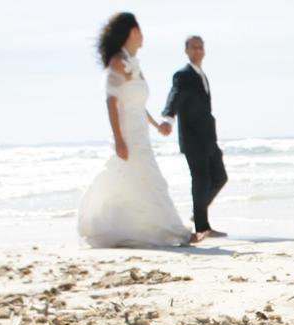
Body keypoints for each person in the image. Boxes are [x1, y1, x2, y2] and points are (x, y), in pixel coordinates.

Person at [77, 12, 192, 248]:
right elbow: (111, 101)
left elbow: (137, 104)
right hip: (128, 135)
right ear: (133, 32)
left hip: (141, 132)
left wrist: (156, 124)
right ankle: (177, 232)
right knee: (152, 180)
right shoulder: (118, 63)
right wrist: (119, 139)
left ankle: (119, 225)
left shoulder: (135, 65)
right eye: (140, 31)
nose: (143, 37)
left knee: (133, 182)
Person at [162, 35, 228, 242]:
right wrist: (168, 118)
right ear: (187, 51)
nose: (198, 50)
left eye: (201, 47)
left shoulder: (202, 75)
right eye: (194, 47)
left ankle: (199, 215)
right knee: (201, 180)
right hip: (193, 138)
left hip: (209, 138)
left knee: (220, 177)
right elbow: (175, 95)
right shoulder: (183, 75)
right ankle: (202, 226)